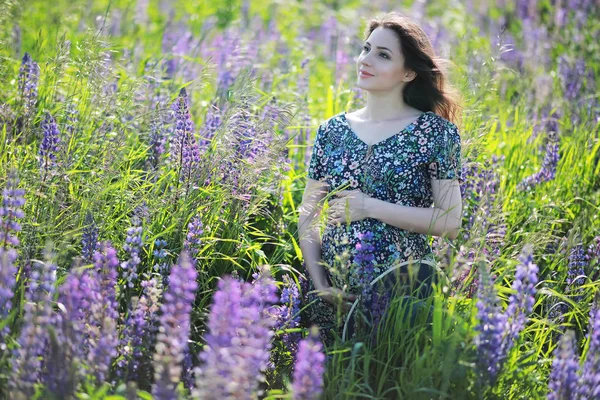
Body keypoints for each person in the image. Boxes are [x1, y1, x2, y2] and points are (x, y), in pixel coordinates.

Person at [297, 11, 464, 349]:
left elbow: (450, 221)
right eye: (366, 49)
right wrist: (320, 284)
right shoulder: (332, 131)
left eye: (382, 55)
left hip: (404, 294)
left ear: (408, 72)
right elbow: (308, 215)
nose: (366, 60)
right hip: (333, 295)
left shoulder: (435, 133)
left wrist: (369, 207)